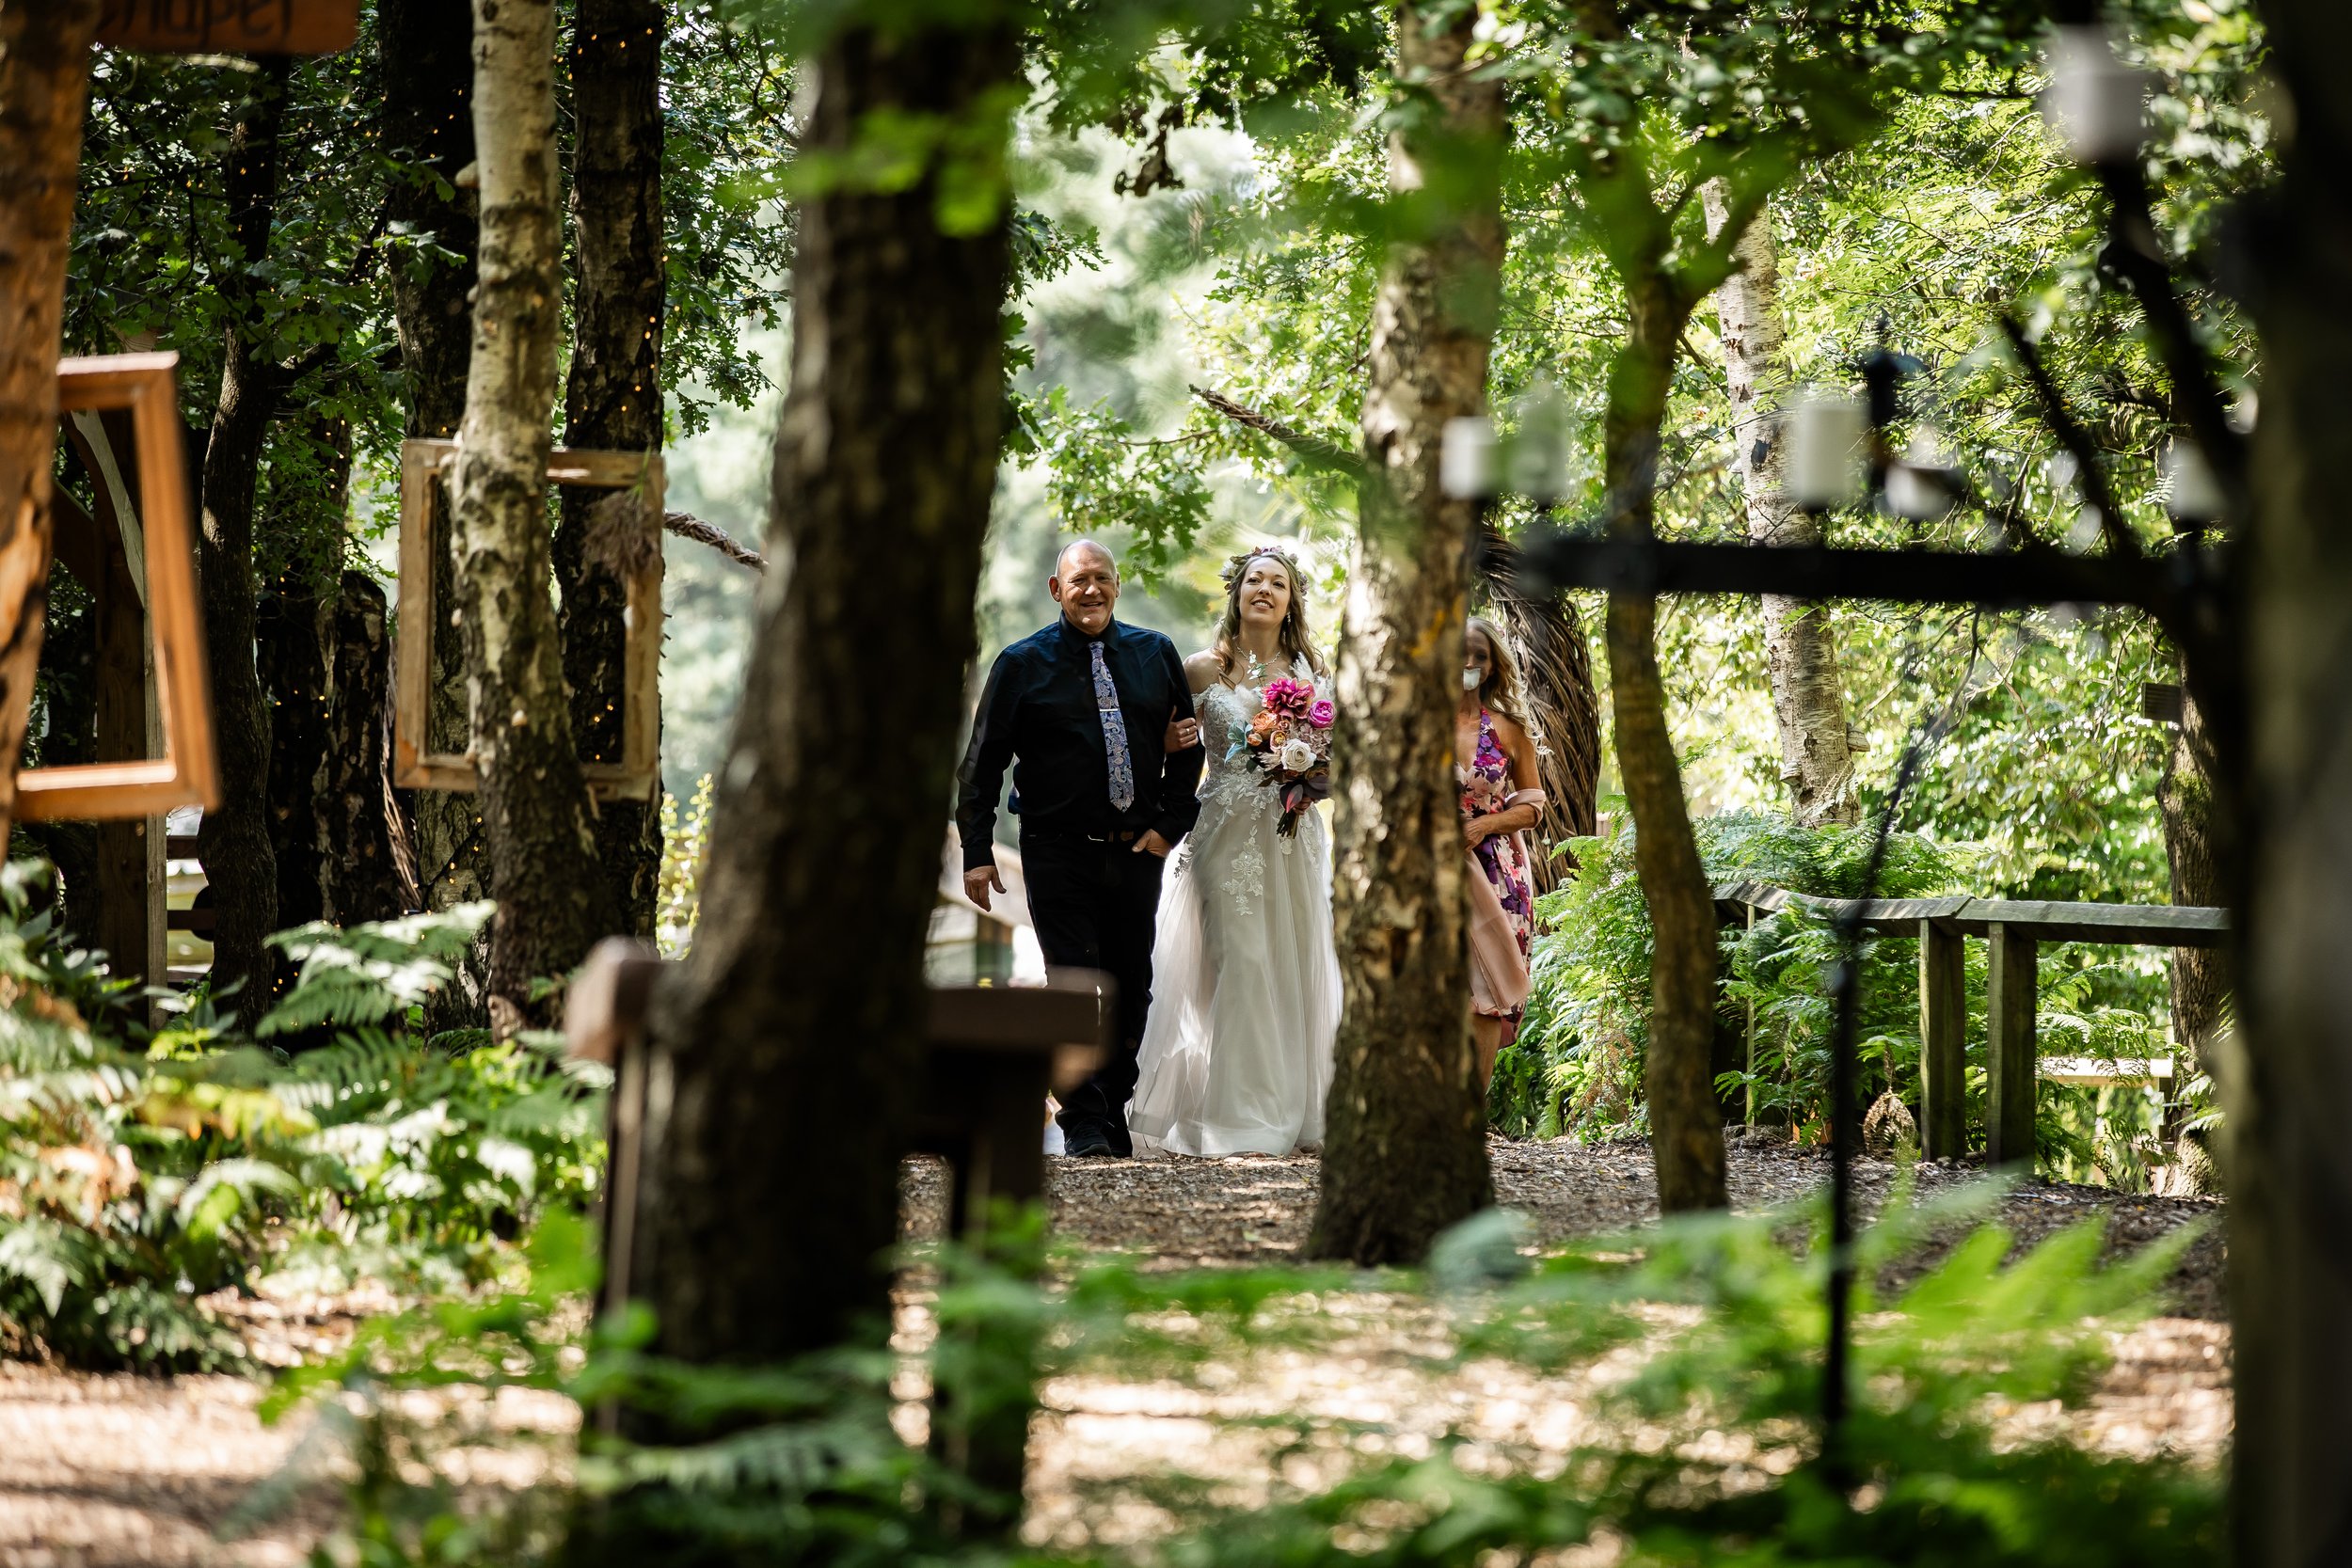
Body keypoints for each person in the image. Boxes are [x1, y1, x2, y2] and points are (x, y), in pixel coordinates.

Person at [958, 540, 1204, 1159]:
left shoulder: (1155, 653)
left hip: (1137, 851)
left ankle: (1114, 1100)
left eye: (1101, 578)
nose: (1090, 590)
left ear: (1116, 586)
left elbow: (1188, 740)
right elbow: (983, 764)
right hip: (1056, 849)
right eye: (1078, 580)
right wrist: (976, 848)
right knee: (1075, 983)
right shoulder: (1020, 664)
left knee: (1133, 984)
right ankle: (1084, 1119)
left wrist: (1170, 823)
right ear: (1055, 589)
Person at [1127, 547, 1341, 1158]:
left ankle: (1293, 1107)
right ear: (1238, 592)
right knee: (1240, 962)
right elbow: (1164, 751)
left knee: (1286, 962)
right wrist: (1169, 738)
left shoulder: (1312, 674)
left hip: (1292, 834)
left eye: (1278, 582)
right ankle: (1242, 1114)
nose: (1265, 589)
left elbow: (1339, 758)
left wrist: (1316, 770)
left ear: (1292, 598)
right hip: (1222, 831)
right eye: (1255, 579)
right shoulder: (1200, 669)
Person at [1457, 616, 1546, 1089]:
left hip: (1495, 873)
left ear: (1492, 668)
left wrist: (1485, 824)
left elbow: (1533, 808)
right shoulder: (1415, 726)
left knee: (1486, 990)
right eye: (1459, 651)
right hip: (1425, 867)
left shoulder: (1510, 731)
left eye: (1480, 655)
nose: (1468, 662)